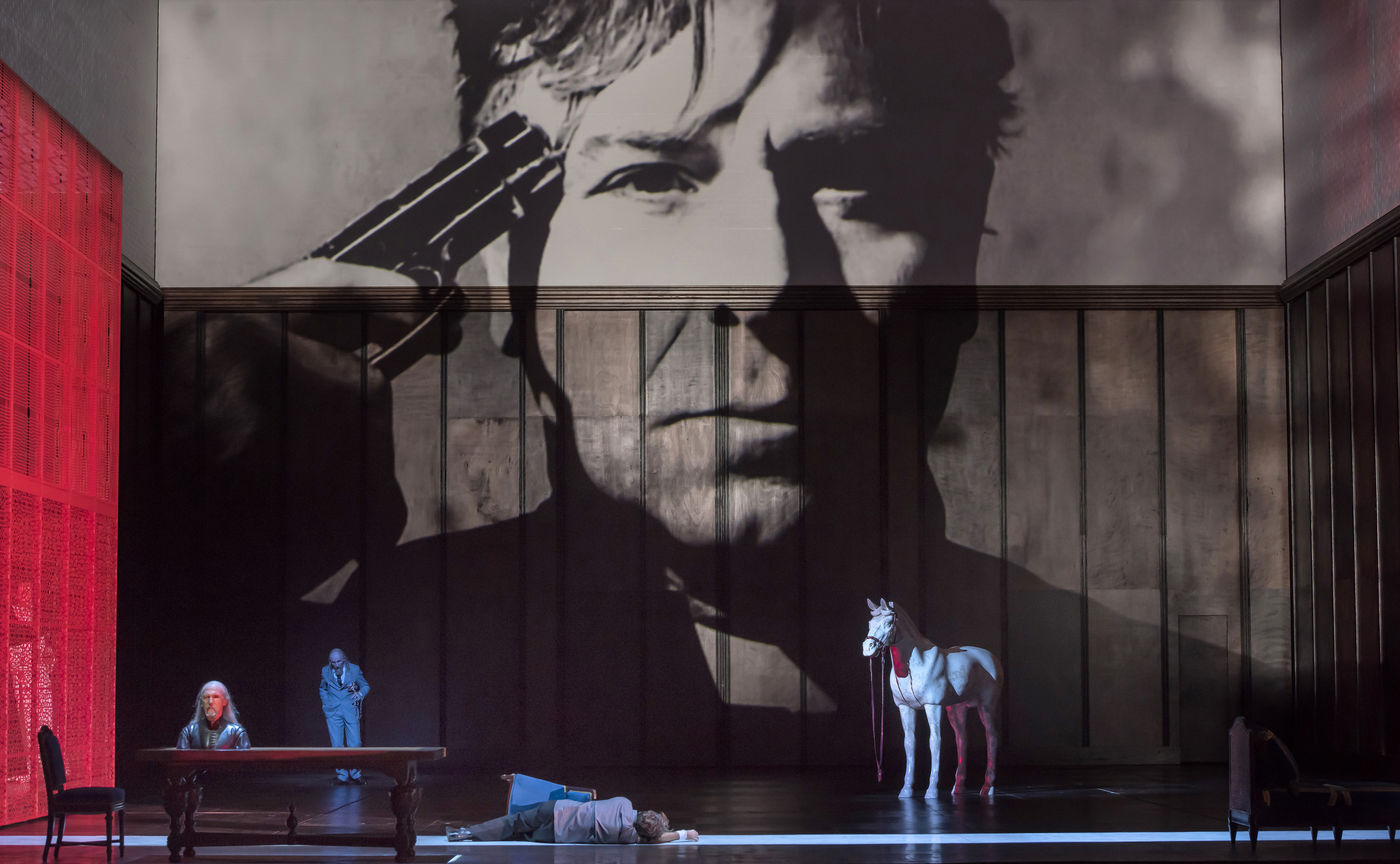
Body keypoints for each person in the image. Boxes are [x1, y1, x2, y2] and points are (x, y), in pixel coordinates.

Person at [170, 0, 1020, 763]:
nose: (764, 282)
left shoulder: (1043, 661)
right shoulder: (366, 654)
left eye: (855, 181)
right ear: (510, 280)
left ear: (965, 254)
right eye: (652, 179)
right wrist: (190, 543)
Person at [451, 795, 697, 844]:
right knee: (518, 834)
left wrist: (660, 819)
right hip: (557, 835)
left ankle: (466, 832)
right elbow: (655, 840)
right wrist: (683, 834)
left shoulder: (624, 802)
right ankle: (473, 835)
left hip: (557, 809)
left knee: (515, 821)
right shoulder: (627, 837)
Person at [320, 648, 370, 783]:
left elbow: (365, 686)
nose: (336, 665)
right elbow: (323, 689)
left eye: (339, 661)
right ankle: (342, 776)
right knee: (337, 744)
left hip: (350, 710)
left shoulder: (354, 670)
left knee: (355, 743)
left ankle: (356, 774)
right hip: (333, 711)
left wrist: (360, 694)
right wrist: (326, 703)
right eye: (333, 662)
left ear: (344, 659)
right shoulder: (325, 671)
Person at [176, 681, 251, 749]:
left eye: (216, 697)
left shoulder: (237, 733)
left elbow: (244, 758)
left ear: (225, 701)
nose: (210, 702)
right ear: (201, 702)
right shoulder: (188, 732)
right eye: (206, 697)